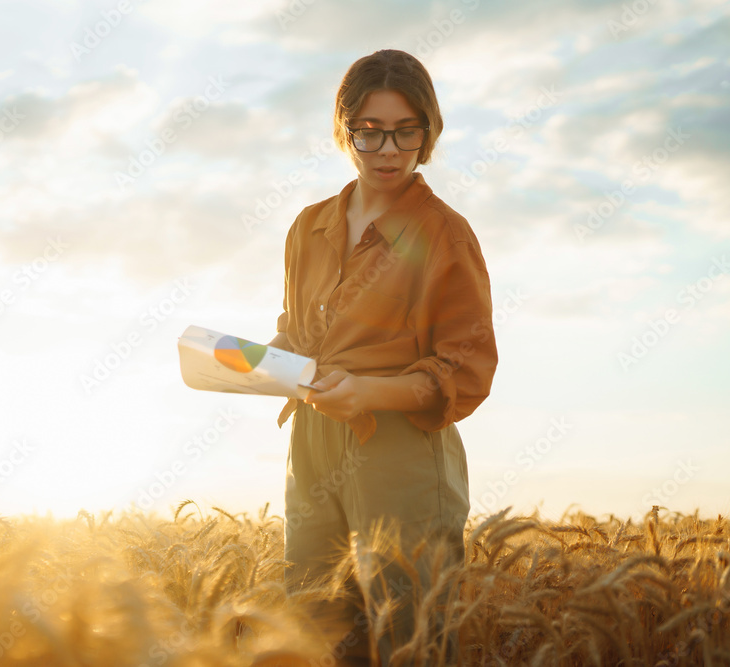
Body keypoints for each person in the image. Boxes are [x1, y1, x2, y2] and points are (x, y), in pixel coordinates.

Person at [267, 49, 498, 666]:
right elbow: (297, 328)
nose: (389, 149)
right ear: (345, 133)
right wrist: (263, 360)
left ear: (429, 133)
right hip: (313, 445)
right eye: (369, 133)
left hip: (401, 451)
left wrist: (369, 391)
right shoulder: (307, 227)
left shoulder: (444, 235)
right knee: (316, 633)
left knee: (408, 642)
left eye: (406, 131)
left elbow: (465, 369)